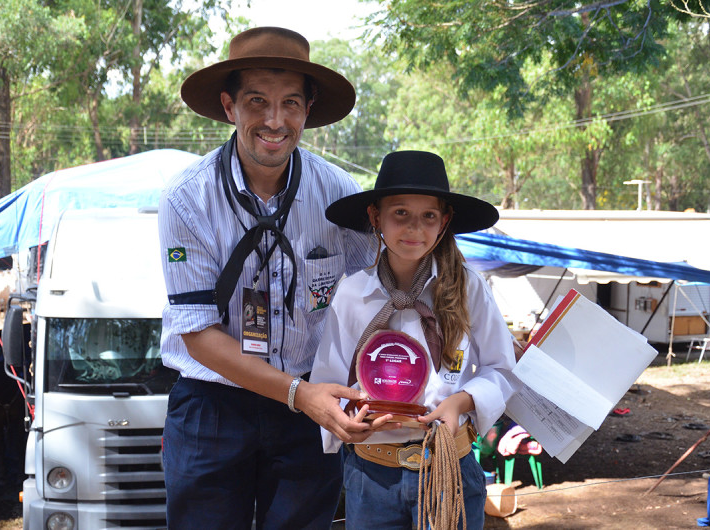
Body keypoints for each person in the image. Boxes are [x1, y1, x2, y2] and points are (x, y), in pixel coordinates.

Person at [158, 26, 387, 529]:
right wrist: (298, 394)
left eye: (290, 103)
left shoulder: (338, 195)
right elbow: (196, 335)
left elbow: (377, 297)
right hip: (212, 407)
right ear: (228, 106)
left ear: (307, 110)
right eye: (257, 101)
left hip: (311, 407)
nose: (274, 120)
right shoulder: (186, 199)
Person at [310, 150, 518, 529]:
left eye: (428, 216)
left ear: (444, 222)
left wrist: (460, 401)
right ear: (376, 217)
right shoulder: (353, 294)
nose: (414, 229)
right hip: (372, 478)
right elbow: (328, 382)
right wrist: (346, 420)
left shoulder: (467, 288)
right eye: (400, 213)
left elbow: (503, 370)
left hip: (447, 471)